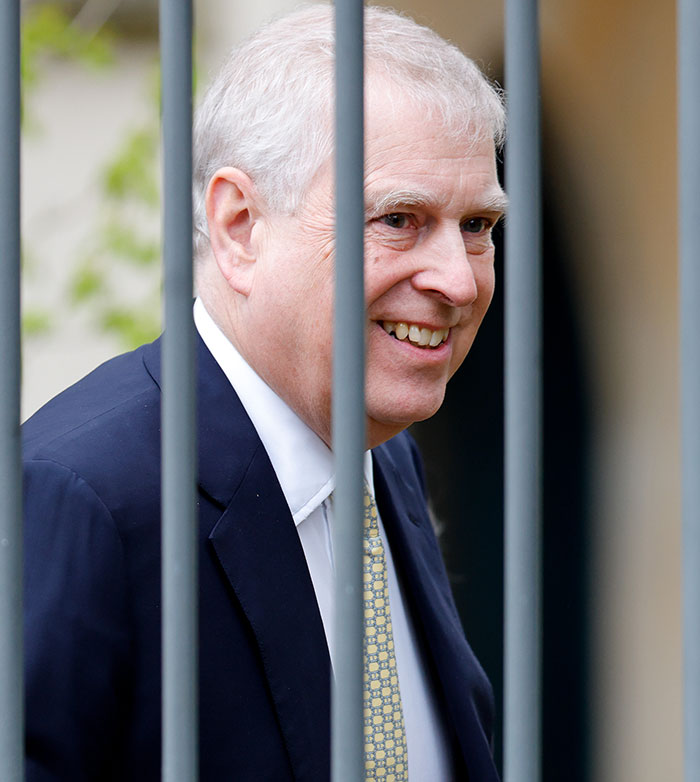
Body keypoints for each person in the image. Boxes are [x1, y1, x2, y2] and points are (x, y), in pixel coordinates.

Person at [23, 5, 507, 780]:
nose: (458, 278)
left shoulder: (386, 459)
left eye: (478, 224)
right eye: (399, 219)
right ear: (240, 224)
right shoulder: (83, 495)